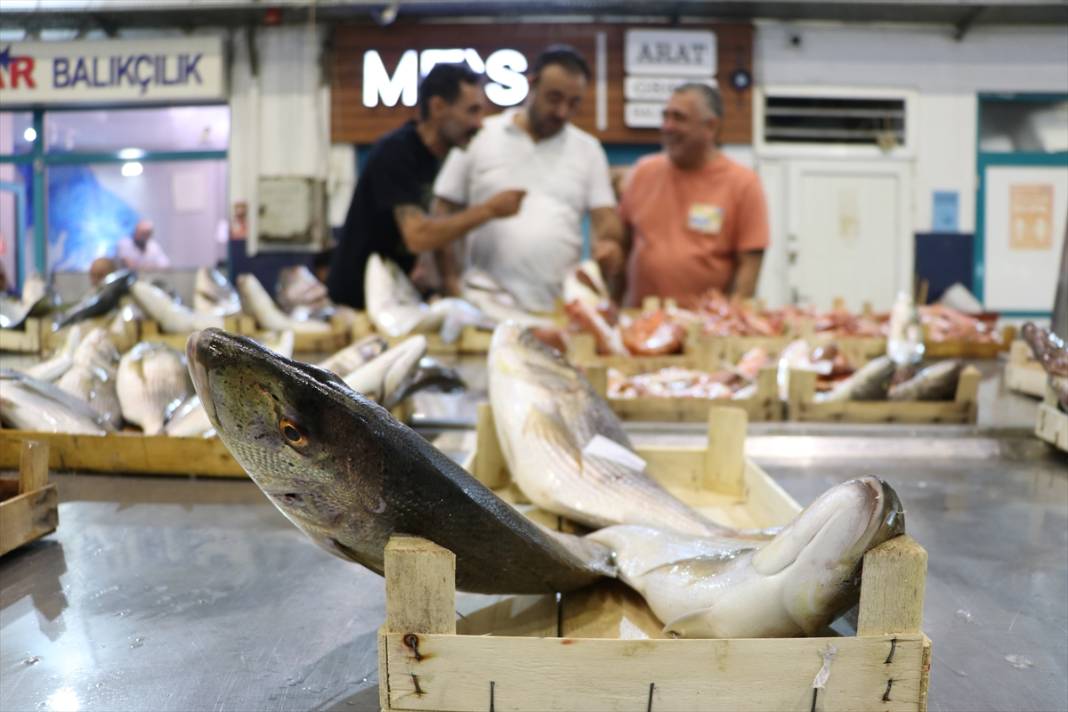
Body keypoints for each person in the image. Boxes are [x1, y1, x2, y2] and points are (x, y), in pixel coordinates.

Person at [433, 45, 621, 312]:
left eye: (574, 102)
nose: (562, 112)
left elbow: (606, 221)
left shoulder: (588, 150)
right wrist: (450, 283)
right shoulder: (480, 134)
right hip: (483, 306)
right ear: (531, 85)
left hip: (558, 309)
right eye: (554, 98)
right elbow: (443, 210)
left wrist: (609, 245)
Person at [326, 63, 525, 309]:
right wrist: (489, 211)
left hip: (389, 298)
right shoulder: (397, 153)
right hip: (357, 303)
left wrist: (451, 288)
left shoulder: (438, 157)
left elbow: (439, 226)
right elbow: (418, 236)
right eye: (471, 111)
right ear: (438, 107)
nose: (480, 123)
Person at [605, 83, 769, 307]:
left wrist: (730, 324)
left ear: (710, 126)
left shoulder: (743, 184)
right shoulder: (642, 173)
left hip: (704, 330)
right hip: (642, 324)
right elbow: (622, 249)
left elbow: (748, 271)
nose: (667, 127)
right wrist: (612, 307)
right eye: (665, 117)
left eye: (679, 118)